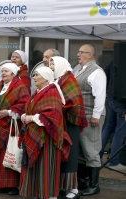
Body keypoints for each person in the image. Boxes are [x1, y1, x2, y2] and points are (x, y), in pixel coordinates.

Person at [20, 66, 66, 199]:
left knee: (47, 166)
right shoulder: (38, 92)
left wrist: (31, 118)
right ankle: (38, 193)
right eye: (33, 75)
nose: (33, 77)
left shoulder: (52, 92)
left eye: (36, 75)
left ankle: (49, 195)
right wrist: (25, 116)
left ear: (45, 78)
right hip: (36, 133)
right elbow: (32, 109)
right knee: (38, 167)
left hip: (47, 137)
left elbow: (53, 116)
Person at [0, 63, 29, 195]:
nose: (3, 73)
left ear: (13, 74)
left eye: (6, 72)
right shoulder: (0, 87)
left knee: (10, 154)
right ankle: (0, 183)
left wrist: (9, 112)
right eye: (2, 71)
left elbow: (24, 106)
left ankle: (13, 185)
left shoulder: (20, 87)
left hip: (10, 128)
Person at [49, 56, 88, 199]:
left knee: (70, 155)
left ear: (60, 65)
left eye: (53, 63)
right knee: (62, 155)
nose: (51, 66)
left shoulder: (69, 80)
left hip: (71, 123)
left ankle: (73, 189)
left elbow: (73, 102)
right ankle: (63, 187)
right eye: (50, 63)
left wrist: (57, 107)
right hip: (61, 122)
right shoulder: (58, 80)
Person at [72, 44, 106, 196]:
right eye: (78, 52)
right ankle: (83, 181)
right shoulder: (78, 69)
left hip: (91, 115)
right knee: (81, 149)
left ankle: (94, 185)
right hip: (80, 115)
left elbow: (100, 96)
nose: (78, 54)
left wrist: (96, 116)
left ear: (91, 55)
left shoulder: (97, 72)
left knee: (91, 149)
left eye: (82, 52)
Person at [100, 61, 126, 170]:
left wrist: (108, 89)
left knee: (109, 128)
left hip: (111, 97)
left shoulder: (116, 58)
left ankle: (97, 156)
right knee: (120, 131)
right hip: (121, 102)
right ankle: (114, 162)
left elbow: (105, 72)